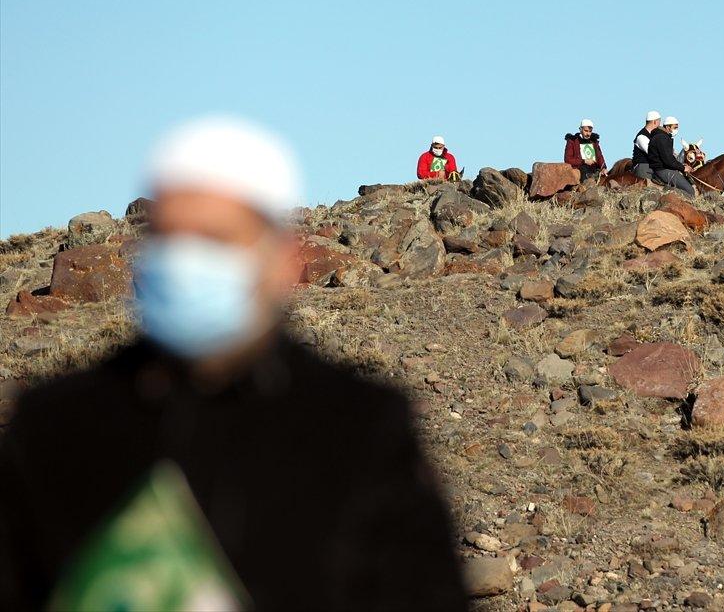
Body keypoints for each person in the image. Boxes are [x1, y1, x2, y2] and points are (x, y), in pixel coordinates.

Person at [0, 116, 467, 611]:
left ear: (282, 260)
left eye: (217, 240)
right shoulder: (55, 428)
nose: (186, 262)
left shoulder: (358, 430)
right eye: (168, 239)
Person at [648, 115, 695, 197]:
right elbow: (668, 160)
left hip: (661, 169)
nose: (676, 130)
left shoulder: (662, 137)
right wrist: (683, 168)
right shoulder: (662, 138)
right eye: (675, 127)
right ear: (667, 127)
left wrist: (680, 165)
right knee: (690, 191)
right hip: (663, 170)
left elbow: (669, 158)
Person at [631, 110, 660, 181]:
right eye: (659, 122)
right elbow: (652, 152)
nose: (660, 125)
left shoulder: (653, 135)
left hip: (653, 168)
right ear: (655, 122)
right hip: (644, 168)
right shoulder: (641, 137)